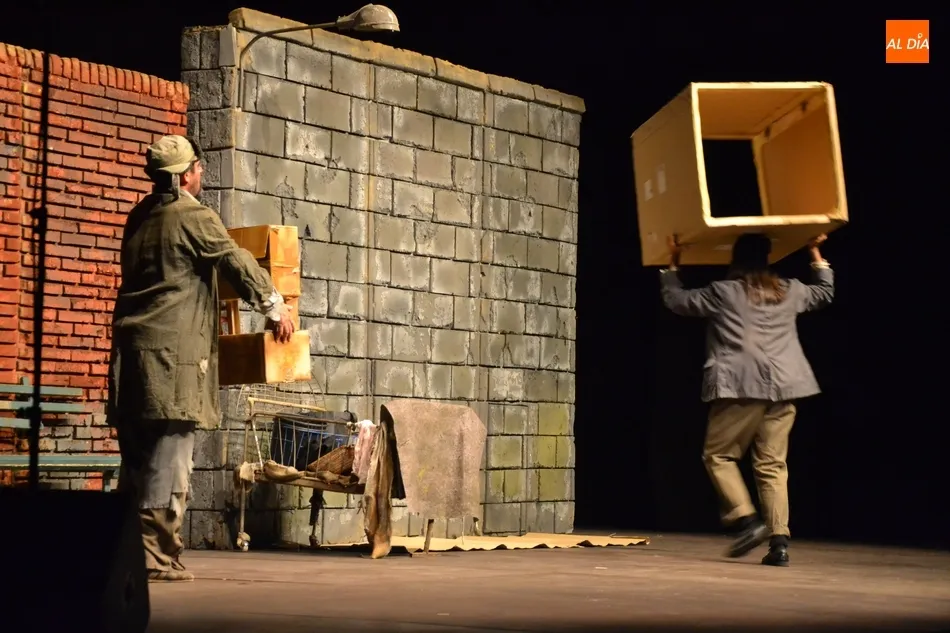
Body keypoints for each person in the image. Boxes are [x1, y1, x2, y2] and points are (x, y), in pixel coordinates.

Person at [107, 135, 296, 582]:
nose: (202, 171)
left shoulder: (139, 217)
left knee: (135, 462)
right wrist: (275, 306)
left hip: (131, 355)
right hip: (172, 358)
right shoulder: (191, 216)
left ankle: (125, 556)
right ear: (185, 175)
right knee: (168, 461)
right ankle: (154, 559)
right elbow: (234, 259)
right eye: (197, 166)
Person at [659, 232, 833, 567]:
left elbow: (677, 300)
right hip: (785, 387)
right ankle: (779, 542)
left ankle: (747, 520)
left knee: (719, 455)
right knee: (772, 464)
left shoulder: (724, 292)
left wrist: (674, 261)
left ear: (734, 259)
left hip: (741, 386)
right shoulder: (789, 290)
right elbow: (824, 292)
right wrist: (814, 251)